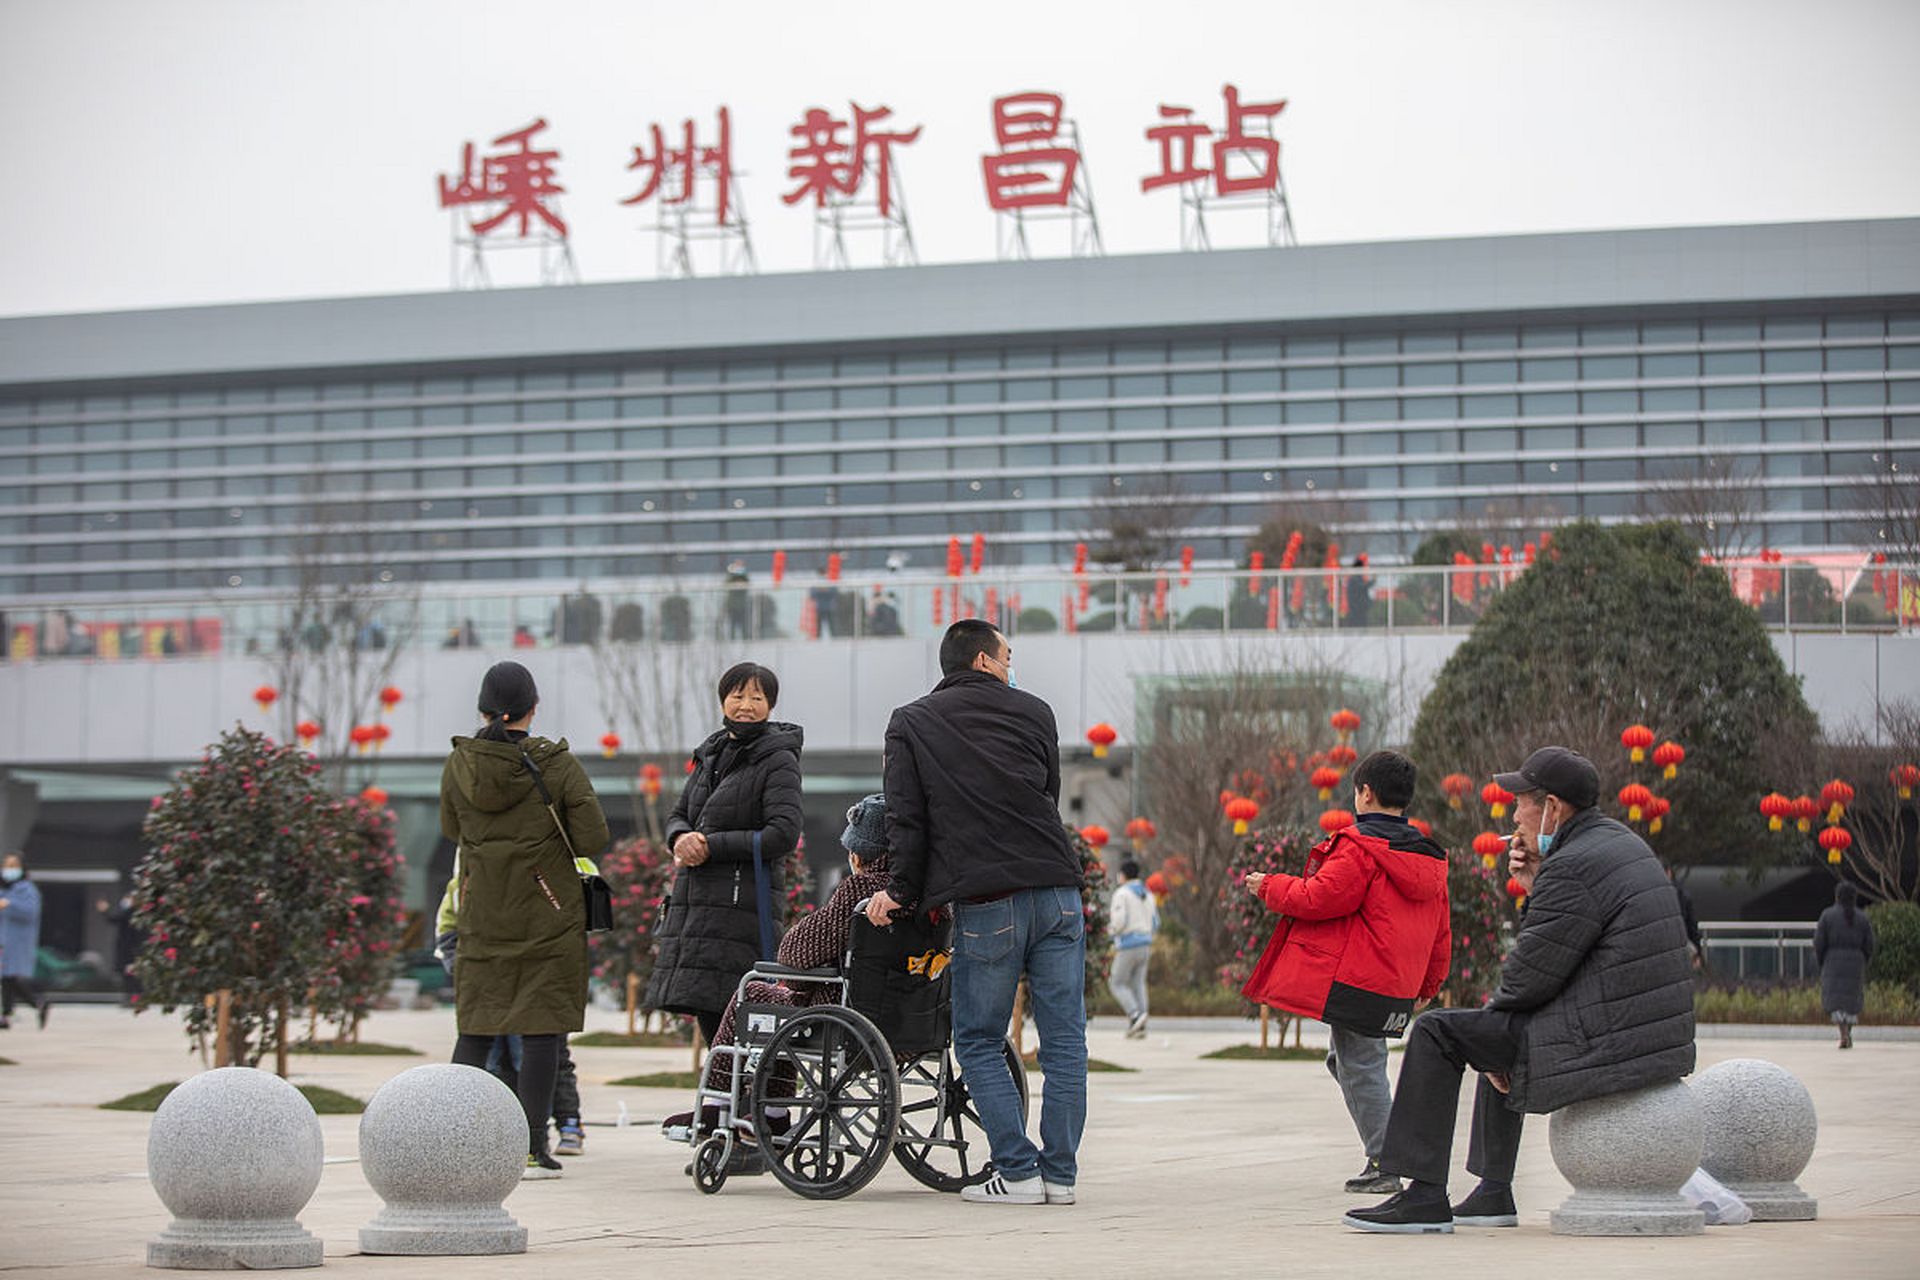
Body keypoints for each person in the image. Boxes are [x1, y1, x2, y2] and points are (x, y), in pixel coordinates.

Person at [1345, 746, 1695, 1234]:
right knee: (1490, 1030)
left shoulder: (1574, 865)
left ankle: (1422, 1193)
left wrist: (1493, 1041)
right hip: (1645, 1033)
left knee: (1439, 1031)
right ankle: (1492, 1193)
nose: (1513, 816)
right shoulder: (1615, 843)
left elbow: (1531, 975)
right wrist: (1536, 883)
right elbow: (1562, 954)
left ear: (1551, 807)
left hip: (1611, 1039)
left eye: (1520, 804)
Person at [865, 619, 1086, 1206]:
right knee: (1065, 1041)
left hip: (989, 897)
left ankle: (1016, 1172)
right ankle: (1059, 1176)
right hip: (1059, 888)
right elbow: (1047, 793)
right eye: (1008, 656)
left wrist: (902, 893)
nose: (1013, 666)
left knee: (980, 1039)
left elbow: (906, 820)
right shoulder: (1036, 711)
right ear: (984, 660)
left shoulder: (910, 722)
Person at [1241, 749, 1451, 1196]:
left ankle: (1388, 1159)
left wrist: (1269, 886)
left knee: (1360, 1066)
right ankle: (1392, 1146)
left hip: (1361, 980)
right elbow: (1442, 930)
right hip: (1396, 982)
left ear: (1365, 793)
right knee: (1350, 1061)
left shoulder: (1359, 848)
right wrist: (1430, 984)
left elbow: (1319, 898)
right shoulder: (1429, 858)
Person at [440, 661, 609, 1179]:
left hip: (483, 911)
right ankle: (533, 1146)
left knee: (475, 1028)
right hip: (548, 915)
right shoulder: (555, 764)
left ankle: (450, 1139)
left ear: (482, 709)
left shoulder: (460, 765)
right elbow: (593, 837)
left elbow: (452, 829)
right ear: (533, 708)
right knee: (541, 1033)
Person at [661, 793, 896, 1142]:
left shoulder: (860, 892)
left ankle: (723, 1105)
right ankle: (771, 1112)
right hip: (906, 1022)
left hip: (844, 1015)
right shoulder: (916, 895)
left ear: (858, 854)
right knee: (786, 1004)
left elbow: (795, 954)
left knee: (755, 991)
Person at [645, 662, 804, 1050]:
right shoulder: (710, 754)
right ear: (723, 700)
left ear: (770, 705)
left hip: (742, 908)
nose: (745, 705)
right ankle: (722, 1105)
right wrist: (679, 837)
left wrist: (710, 846)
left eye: (756, 697)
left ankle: (749, 1104)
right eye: (737, 695)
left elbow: (782, 833)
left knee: (740, 1015)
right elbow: (679, 814)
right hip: (698, 907)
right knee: (708, 1013)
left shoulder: (778, 758)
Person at [1814, 882, 1875, 1050]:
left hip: (1833, 961)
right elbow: (1869, 944)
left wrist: (1821, 960)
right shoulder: (1862, 918)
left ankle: (1843, 1034)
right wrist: (1863, 960)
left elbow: (1819, 942)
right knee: (1851, 1001)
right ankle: (1848, 1032)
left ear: (1837, 896)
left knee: (1837, 1002)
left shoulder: (1827, 916)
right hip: (1856, 962)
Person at [1107, 860, 1158, 1039]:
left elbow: (1119, 922)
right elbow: (1155, 922)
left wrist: (1110, 932)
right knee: (1138, 984)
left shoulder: (1122, 894)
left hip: (1128, 944)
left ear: (1123, 875)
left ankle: (1135, 1014)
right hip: (1145, 944)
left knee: (1116, 982)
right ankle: (1140, 1026)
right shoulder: (1148, 893)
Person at [0, 852, 49, 1030]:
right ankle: (7, 1015)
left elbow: (31, 912)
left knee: (10, 978)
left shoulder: (27, 890)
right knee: (6, 978)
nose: (8, 870)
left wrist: (9, 905)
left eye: (13, 866)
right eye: (6, 865)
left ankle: (36, 1002)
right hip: (3, 939)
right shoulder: (5, 889)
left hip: (17, 940)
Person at [724, 562, 752, 641]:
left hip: (742, 606)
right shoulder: (731, 578)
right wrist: (732, 571)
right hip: (732, 607)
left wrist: (743, 573)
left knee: (744, 626)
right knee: (732, 626)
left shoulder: (744, 578)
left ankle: (745, 640)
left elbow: (748, 582)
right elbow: (726, 582)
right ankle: (731, 640)